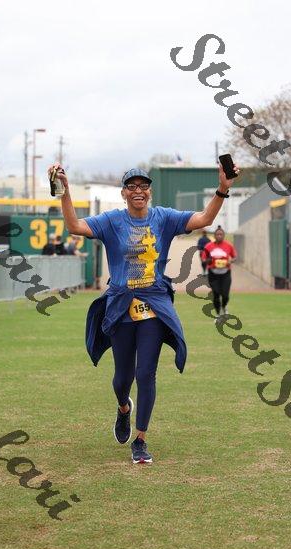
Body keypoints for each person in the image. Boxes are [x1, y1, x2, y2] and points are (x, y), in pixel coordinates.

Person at [50, 161, 239, 464]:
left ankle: (140, 440)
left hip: (154, 304)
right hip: (121, 306)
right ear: (123, 193)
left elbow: (204, 218)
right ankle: (124, 407)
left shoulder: (164, 218)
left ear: (150, 191)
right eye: (131, 186)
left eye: (143, 186)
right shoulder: (112, 221)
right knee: (122, 378)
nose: (138, 190)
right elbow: (75, 226)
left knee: (146, 373)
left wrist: (222, 189)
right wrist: (65, 192)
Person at [202, 226, 237, 319]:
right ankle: (218, 314)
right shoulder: (208, 246)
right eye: (217, 234)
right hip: (213, 274)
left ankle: (224, 306)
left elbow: (234, 257)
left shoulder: (228, 246)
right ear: (214, 235)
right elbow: (204, 259)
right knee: (216, 294)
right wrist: (208, 261)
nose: (219, 236)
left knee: (225, 295)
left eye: (221, 234)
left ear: (223, 235)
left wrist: (230, 261)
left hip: (226, 273)